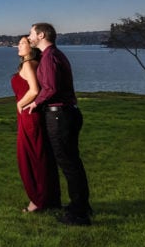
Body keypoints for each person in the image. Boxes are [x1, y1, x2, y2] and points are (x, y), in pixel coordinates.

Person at [23, 22, 92, 225]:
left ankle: (79, 214)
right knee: (72, 163)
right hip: (65, 114)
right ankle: (80, 206)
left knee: (69, 164)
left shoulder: (50, 57)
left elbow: (51, 88)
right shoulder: (53, 55)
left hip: (59, 116)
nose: (29, 37)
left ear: (41, 35)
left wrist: (35, 103)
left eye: (31, 33)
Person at [11, 36, 61, 213]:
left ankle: (37, 202)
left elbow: (34, 90)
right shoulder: (35, 64)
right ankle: (49, 200)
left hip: (29, 115)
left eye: (23, 42)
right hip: (33, 114)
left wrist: (20, 104)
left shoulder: (28, 64)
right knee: (41, 156)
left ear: (31, 47)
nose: (19, 45)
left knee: (31, 158)